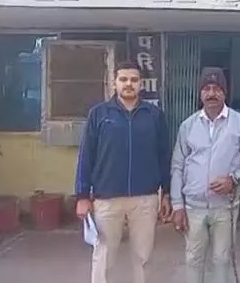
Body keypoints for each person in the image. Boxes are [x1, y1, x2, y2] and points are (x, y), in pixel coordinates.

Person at [74, 61, 172, 283]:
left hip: (145, 199)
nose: (129, 84)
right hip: (107, 198)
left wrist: (167, 192)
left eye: (134, 80)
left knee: (143, 258)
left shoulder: (154, 115)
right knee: (103, 256)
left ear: (141, 84)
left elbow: (164, 156)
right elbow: (86, 156)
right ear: (114, 83)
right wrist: (82, 195)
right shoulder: (99, 114)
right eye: (123, 79)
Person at [170, 67, 240, 283]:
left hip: (225, 207)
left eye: (216, 89)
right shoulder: (188, 126)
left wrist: (234, 179)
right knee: (193, 259)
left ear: (225, 92)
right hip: (193, 207)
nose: (211, 93)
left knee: (222, 260)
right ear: (200, 93)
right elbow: (177, 166)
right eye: (206, 89)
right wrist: (177, 205)